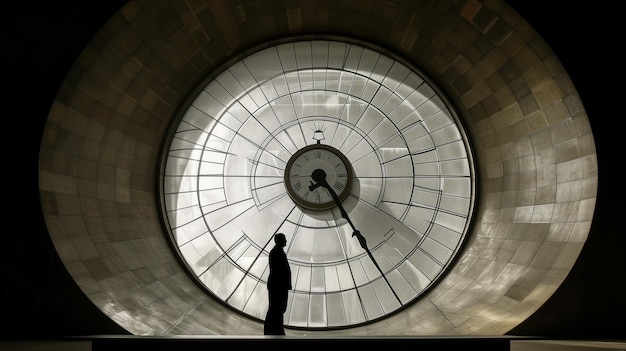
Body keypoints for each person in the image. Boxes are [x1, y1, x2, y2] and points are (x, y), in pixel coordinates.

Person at [264, 233, 292, 335]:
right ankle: (276, 329)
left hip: (277, 285)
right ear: (280, 241)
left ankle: (273, 329)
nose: (286, 241)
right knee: (277, 309)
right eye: (284, 239)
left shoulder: (275, 252)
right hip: (279, 286)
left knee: (275, 308)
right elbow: (282, 271)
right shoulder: (278, 253)